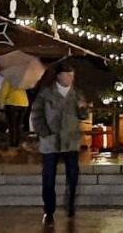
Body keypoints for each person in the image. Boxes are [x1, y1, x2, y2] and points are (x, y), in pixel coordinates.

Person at [31, 62, 88, 225]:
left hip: (70, 141)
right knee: (48, 177)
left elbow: (83, 115)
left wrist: (83, 109)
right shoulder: (46, 94)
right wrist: (44, 132)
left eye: (72, 75)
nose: (70, 78)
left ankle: (70, 205)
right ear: (59, 76)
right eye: (67, 75)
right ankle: (49, 209)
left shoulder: (77, 94)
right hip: (51, 142)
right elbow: (36, 114)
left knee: (73, 176)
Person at [0, 77, 30, 149]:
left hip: (12, 102)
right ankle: (17, 143)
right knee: (18, 125)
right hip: (24, 103)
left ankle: (12, 144)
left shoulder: (9, 78)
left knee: (12, 125)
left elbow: (4, 91)